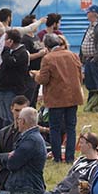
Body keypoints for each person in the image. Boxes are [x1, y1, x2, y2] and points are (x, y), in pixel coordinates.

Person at [35, 33, 84, 163]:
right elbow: (80, 76)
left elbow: (43, 79)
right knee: (71, 128)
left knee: (55, 128)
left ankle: (57, 157)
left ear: (46, 46)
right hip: (73, 96)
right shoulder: (73, 55)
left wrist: (35, 76)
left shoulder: (48, 58)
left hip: (56, 98)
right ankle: (69, 157)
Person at [0, 29, 32, 132]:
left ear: (11, 41)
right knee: (3, 116)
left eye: (6, 39)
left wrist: (6, 48)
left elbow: (11, 62)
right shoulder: (11, 52)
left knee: (10, 116)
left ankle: (14, 134)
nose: (4, 42)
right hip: (3, 87)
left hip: (12, 88)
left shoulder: (22, 53)